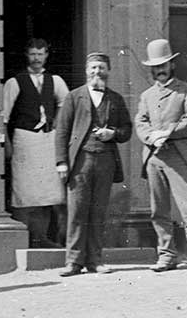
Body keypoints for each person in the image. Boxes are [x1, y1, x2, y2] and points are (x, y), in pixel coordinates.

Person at [135, 37, 187, 274]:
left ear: (172, 65)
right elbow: (141, 122)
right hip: (154, 157)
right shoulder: (147, 96)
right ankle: (166, 255)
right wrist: (150, 137)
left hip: (179, 157)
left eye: (163, 65)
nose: (160, 70)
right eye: (155, 67)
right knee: (159, 211)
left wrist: (169, 132)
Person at [54, 52, 132, 275]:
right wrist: (61, 161)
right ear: (87, 71)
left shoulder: (115, 99)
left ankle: (95, 260)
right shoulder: (73, 97)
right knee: (77, 210)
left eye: (101, 68)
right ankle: (73, 261)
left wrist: (112, 133)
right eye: (93, 68)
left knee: (98, 211)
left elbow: (127, 130)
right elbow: (62, 132)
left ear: (108, 71)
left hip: (106, 161)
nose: (97, 72)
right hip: (80, 161)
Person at [2, 38, 68, 247]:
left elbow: (66, 104)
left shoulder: (55, 81)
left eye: (40, 54)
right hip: (25, 139)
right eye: (33, 54)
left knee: (47, 192)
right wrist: (7, 143)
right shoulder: (15, 82)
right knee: (24, 190)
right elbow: (4, 115)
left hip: (48, 140)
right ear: (27, 55)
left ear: (46, 55)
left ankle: (42, 238)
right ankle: (23, 239)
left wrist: (56, 123)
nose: (36, 58)